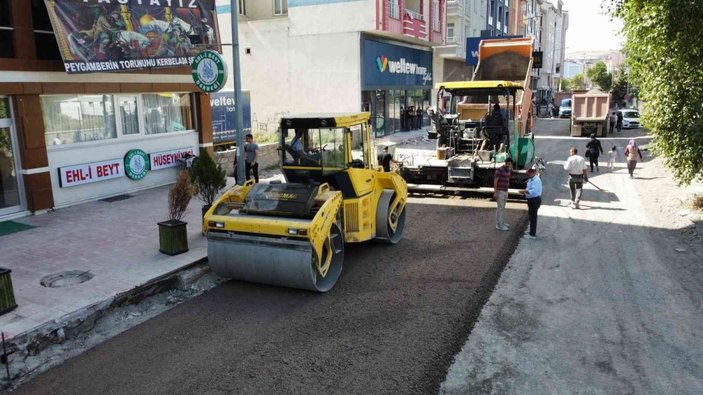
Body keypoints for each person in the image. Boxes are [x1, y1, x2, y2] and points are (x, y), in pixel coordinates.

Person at [521, 168, 542, 239]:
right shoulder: (531, 179)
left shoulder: (536, 180)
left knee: (533, 217)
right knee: (531, 216)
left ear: (532, 173)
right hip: (531, 199)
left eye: (528, 174)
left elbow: (533, 191)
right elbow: (528, 187)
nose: (527, 175)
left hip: (534, 200)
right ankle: (531, 231)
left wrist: (524, 191)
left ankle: (532, 234)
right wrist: (525, 191)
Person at [493, 157, 512, 231]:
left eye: (509, 164)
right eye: (507, 164)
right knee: (500, 208)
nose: (508, 165)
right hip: (500, 191)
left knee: (503, 207)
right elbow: (495, 181)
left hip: (505, 191)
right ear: (505, 163)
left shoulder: (508, 170)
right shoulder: (500, 170)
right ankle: (499, 224)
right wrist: (495, 192)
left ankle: (501, 222)